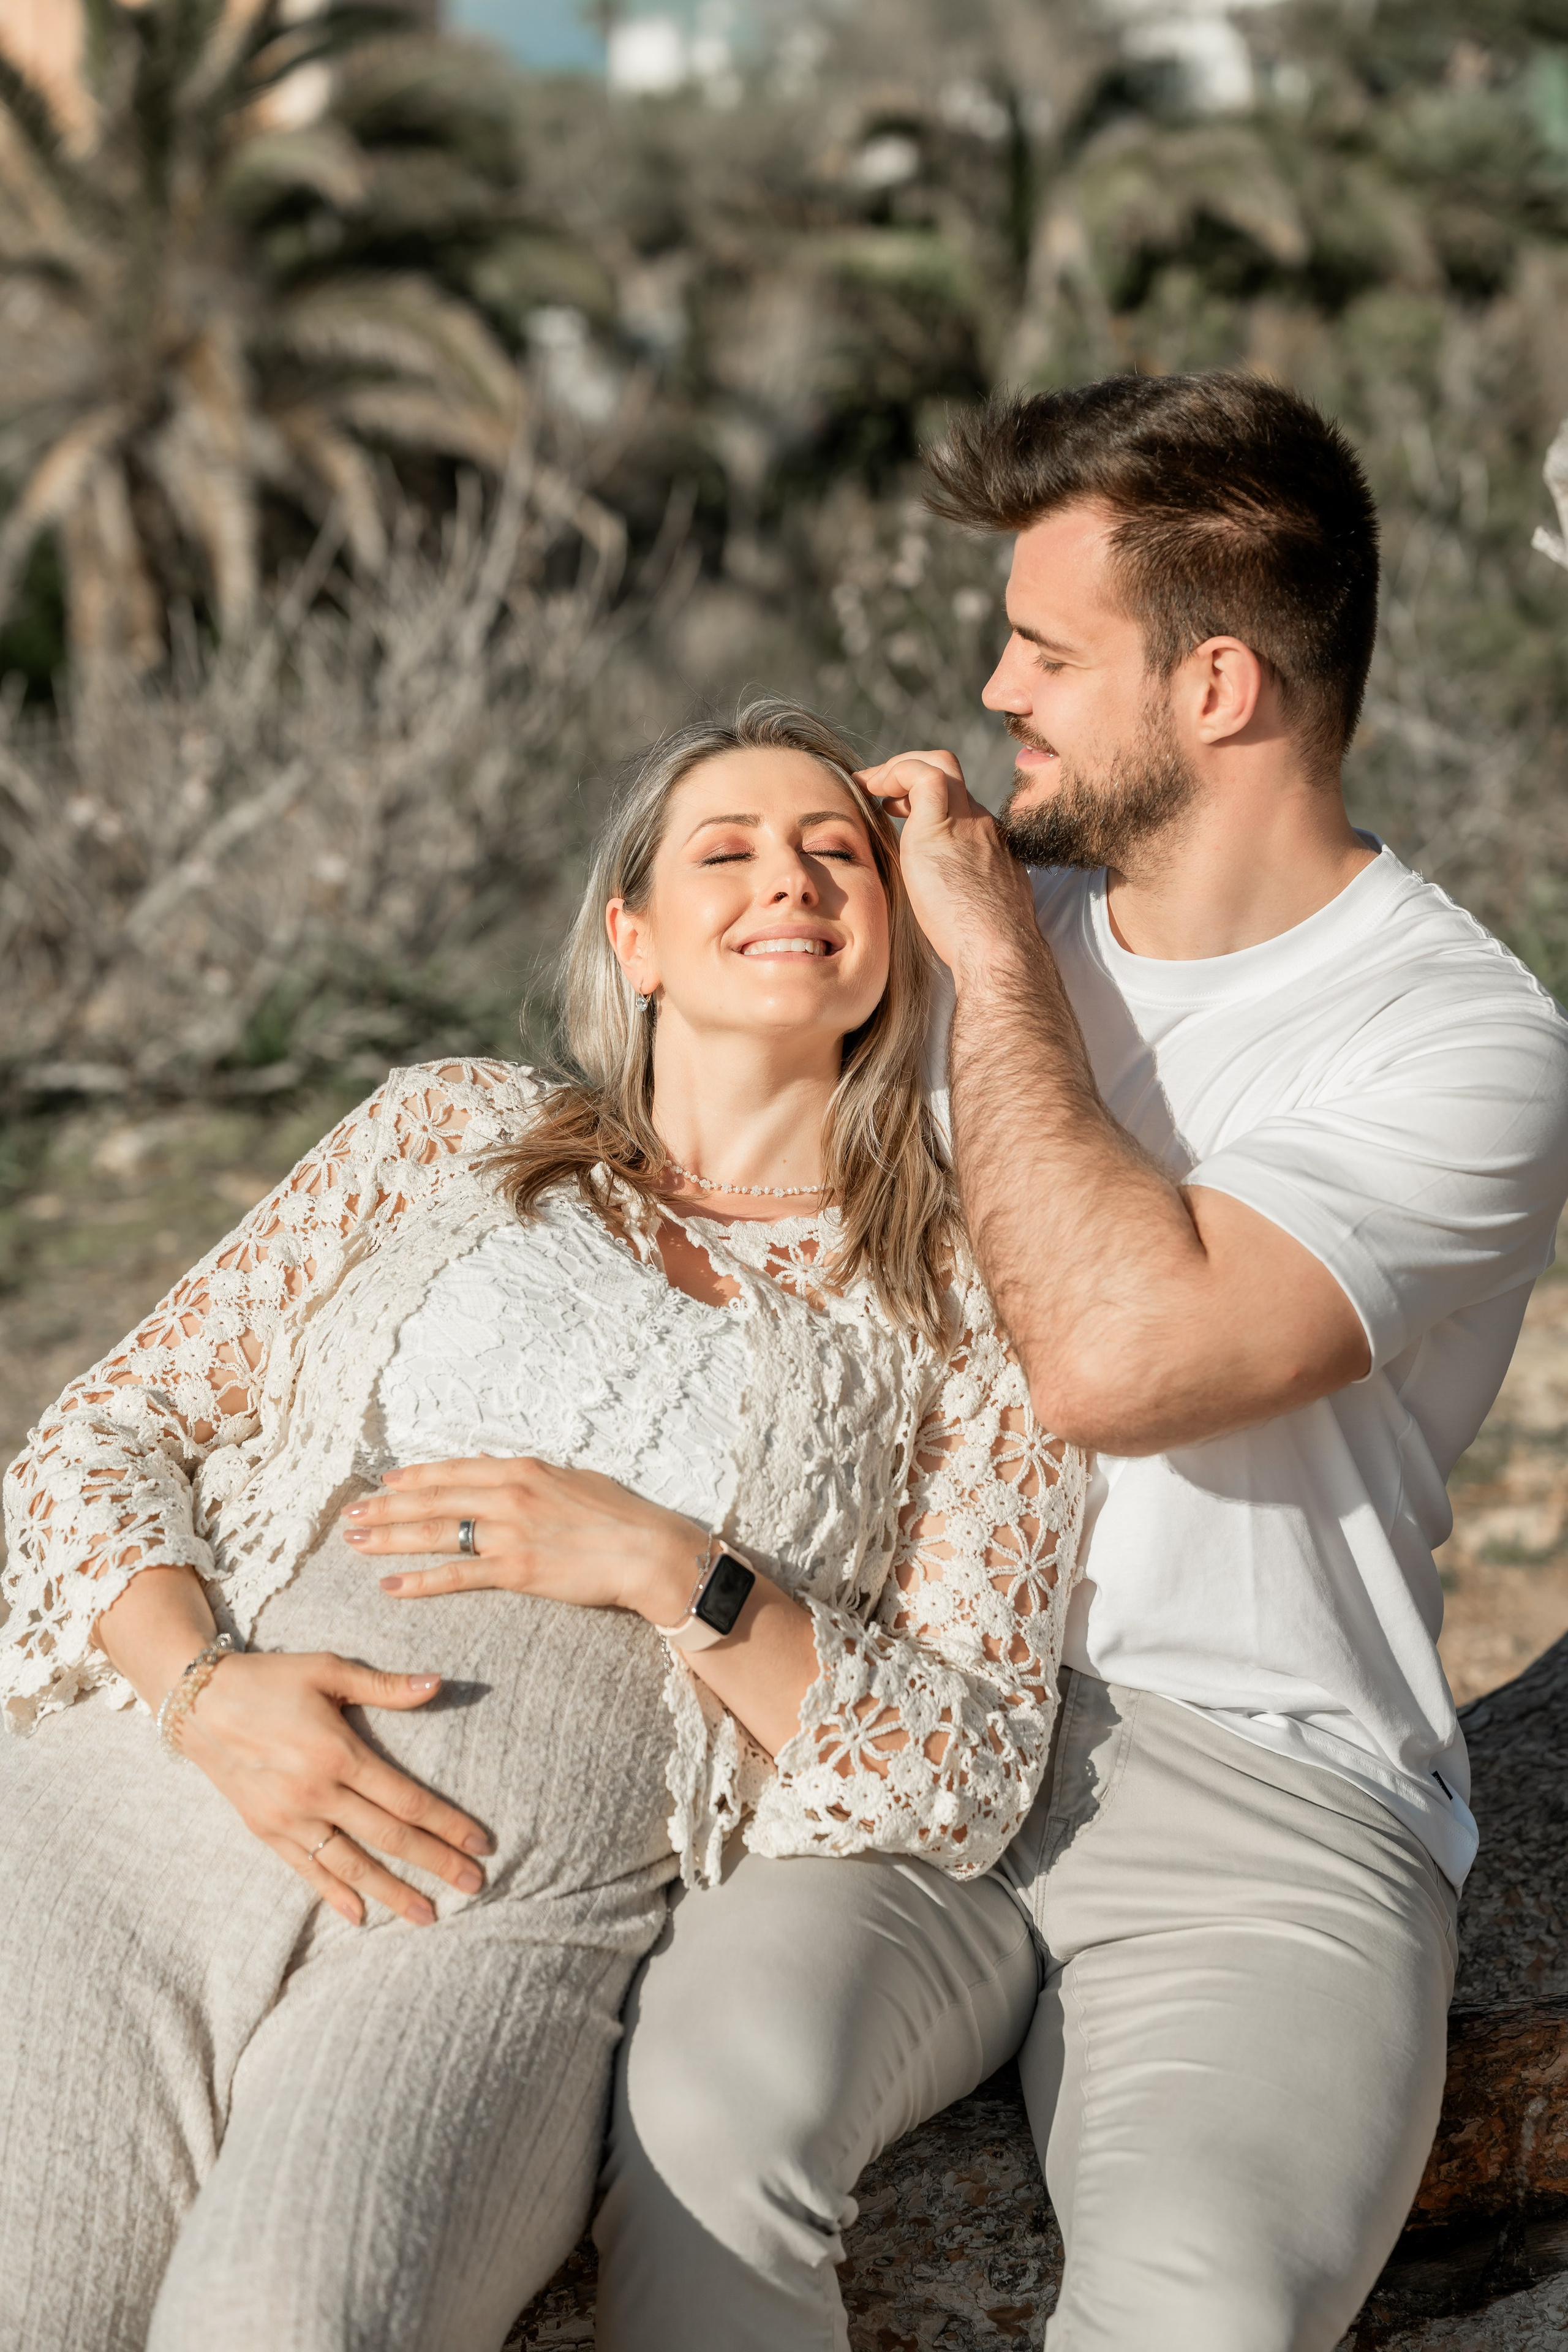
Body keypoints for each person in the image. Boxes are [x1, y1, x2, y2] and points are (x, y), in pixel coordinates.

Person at [590, 374, 1568, 2352]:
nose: (997, 688)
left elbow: (1123, 1356)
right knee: (704, 2114)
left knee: (1202, 2318)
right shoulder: (923, 927)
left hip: (1264, 1792)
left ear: (1218, 689)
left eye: (1047, 649)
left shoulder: (1460, 1037)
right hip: (885, 1726)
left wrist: (997, 963)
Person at [0, 700, 1080, 2352]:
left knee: (296, 2326)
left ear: (895, 935)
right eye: (728, 850)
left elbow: (966, 1759)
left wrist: (674, 1569)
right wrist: (207, 1693)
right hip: (152, 1810)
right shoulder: (446, 1133)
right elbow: (104, 1433)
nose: (789, 880)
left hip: (491, 1918)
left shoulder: (964, 1297)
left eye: (838, 855)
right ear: (634, 939)